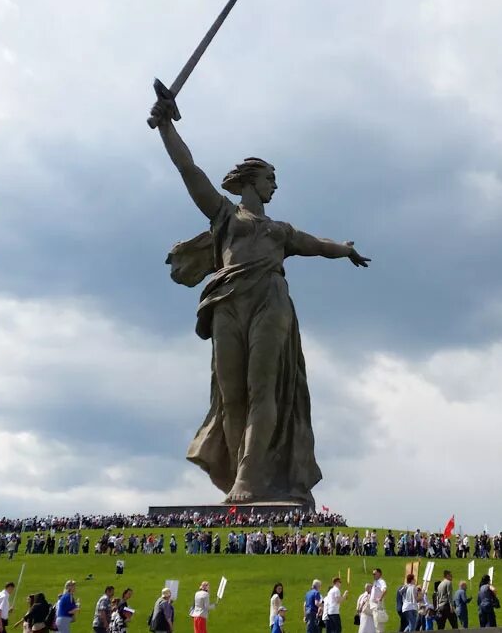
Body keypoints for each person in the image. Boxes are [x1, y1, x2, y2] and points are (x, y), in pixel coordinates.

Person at [150, 97, 370, 505]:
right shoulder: (225, 216)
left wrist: (345, 248)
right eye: (270, 178)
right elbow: (188, 170)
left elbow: (317, 245)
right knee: (231, 396)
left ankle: (250, 479)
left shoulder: (279, 231)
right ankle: (240, 475)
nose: (275, 185)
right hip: (227, 301)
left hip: (270, 299)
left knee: (262, 389)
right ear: (251, 182)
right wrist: (166, 127)